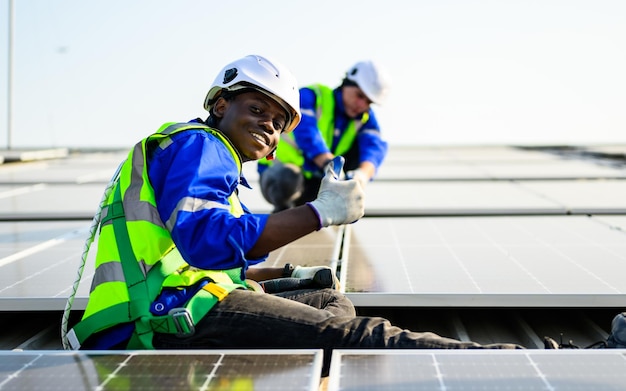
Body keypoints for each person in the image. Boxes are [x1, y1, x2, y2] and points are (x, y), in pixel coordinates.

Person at [64, 54, 525, 377]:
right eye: (257, 108)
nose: (269, 124)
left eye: (280, 121)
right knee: (360, 334)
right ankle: (522, 362)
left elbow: (209, 257)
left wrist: (280, 275)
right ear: (221, 105)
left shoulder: (212, 165)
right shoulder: (201, 144)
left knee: (327, 298)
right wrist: (319, 213)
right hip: (162, 314)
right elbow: (204, 238)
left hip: (181, 300)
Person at [257, 60, 391, 212]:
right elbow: (306, 131)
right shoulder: (313, 97)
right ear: (347, 83)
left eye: (369, 102)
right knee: (288, 179)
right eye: (360, 95)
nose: (362, 105)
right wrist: (330, 165)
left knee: (360, 157)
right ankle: (282, 217)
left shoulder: (364, 118)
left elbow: (375, 147)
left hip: (314, 180)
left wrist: (362, 175)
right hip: (278, 175)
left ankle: (311, 217)